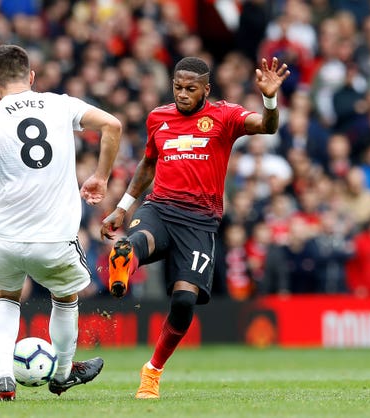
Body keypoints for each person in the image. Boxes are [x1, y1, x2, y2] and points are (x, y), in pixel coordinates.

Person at [0, 44, 121, 401]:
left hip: (1, 239)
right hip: (53, 240)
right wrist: (101, 176)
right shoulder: (61, 105)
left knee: (6, 296)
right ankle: (62, 373)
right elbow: (113, 125)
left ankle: (4, 379)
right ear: (31, 77)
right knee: (65, 297)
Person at [100, 56, 289, 399]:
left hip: (200, 222)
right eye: (177, 87)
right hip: (160, 207)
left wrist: (270, 99)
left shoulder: (226, 116)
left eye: (191, 88)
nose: (183, 94)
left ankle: (152, 370)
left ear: (206, 89)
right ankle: (125, 259)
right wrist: (123, 207)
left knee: (185, 300)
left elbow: (268, 126)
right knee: (139, 239)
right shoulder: (158, 117)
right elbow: (147, 164)